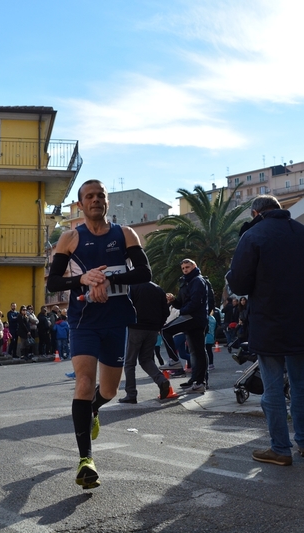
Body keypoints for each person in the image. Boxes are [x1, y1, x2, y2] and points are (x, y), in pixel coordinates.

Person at [46, 179, 151, 490]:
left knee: (108, 390)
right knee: (83, 382)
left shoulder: (126, 234)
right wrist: (83, 280)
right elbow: (53, 283)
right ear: (80, 205)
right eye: (89, 196)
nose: (95, 200)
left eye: (100, 196)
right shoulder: (69, 238)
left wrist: (106, 278)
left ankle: (94, 408)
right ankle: (85, 461)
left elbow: (145, 273)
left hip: (116, 319)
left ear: (107, 202)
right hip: (84, 320)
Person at [226, 195, 304, 466]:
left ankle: (280, 448)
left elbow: (241, 283)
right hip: (303, 321)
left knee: (272, 389)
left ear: (256, 213)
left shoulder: (254, 235)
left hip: (269, 322)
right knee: (301, 386)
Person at [119, 281, 171, 404]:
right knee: (146, 359)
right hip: (152, 329)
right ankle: (162, 380)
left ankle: (131, 394)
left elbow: (126, 306)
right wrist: (158, 325)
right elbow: (166, 311)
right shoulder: (158, 289)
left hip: (136, 328)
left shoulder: (132, 286)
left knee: (130, 362)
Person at [162, 259, 209, 392]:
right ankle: (198, 382)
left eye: (187, 267)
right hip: (191, 317)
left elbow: (195, 303)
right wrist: (173, 301)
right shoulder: (186, 282)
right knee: (196, 352)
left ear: (195, 266)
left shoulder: (198, 281)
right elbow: (182, 303)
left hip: (194, 318)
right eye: (183, 268)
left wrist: (180, 312)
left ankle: (174, 360)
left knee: (166, 330)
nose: (185, 270)